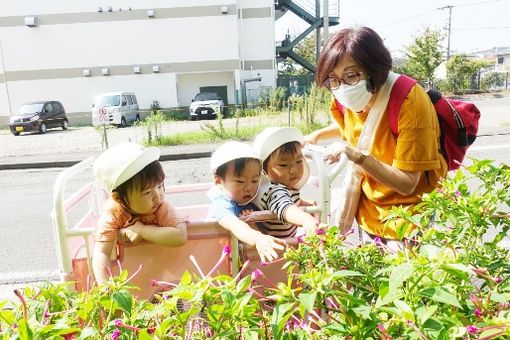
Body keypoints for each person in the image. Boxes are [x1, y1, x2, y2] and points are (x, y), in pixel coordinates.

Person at [304, 26, 447, 245]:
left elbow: (408, 183)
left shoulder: (409, 100)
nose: (341, 87)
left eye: (351, 75)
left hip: (407, 218)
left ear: (374, 70)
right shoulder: (342, 97)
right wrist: (316, 135)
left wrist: (356, 155)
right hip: (367, 212)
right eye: (333, 79)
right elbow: (359, 128)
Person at [92, 142, 187, 284]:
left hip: (165, 272)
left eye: (160, 186)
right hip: (135, 279)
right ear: (118, 198)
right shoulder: (113, 213)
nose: (158, 196)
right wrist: (105, 286)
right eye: (147, 192)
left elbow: (180, 235)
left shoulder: (160, 207)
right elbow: (101, 252)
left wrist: (141, 230)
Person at [207, 141, 285, 263]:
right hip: (219, 263)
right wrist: (258, 238)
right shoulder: (221, 204)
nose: (249, 187)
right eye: (240, 181)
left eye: (255, 181)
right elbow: (234, 224)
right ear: (218, 182)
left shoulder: (249, 200)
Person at [253, 127, 320, 238]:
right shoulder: (273, 191)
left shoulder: (289, 186)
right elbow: (286, 207)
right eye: (283, 165)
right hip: (276, 249)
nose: (294, 170)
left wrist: (304, 203)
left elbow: (291, 200)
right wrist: (306, 219)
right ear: (264, 170)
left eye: (298, 161)